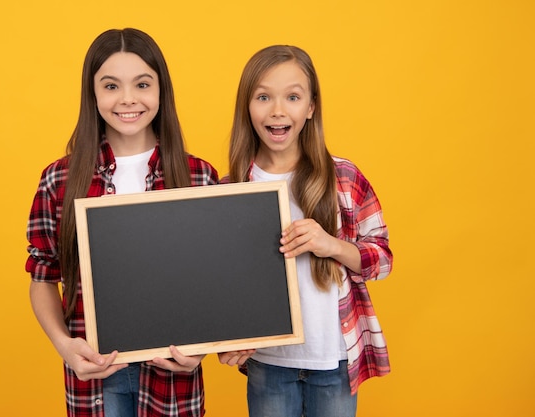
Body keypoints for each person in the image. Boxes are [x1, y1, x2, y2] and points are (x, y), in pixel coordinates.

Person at [25, 28, 218, 417]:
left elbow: (215, 280)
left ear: (161, 91)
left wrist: (201, 348)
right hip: (95, 375)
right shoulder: (58, 181)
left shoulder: (199, 176)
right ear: (92, 94)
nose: (128, 99)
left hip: (171, 378)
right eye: (111, 86)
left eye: (142, 84)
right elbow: (43, 277)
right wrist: (65, 346)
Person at [217, 45, 393, 417]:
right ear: (247, 107)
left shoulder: (343, 178)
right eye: (263, 96)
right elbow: (220, 284)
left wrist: (332, 245)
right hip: (268, 363)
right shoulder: (230, 188)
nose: (278, 110)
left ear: (311, 107)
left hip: (335, 360)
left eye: (292, 97)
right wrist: (228, 338)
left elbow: (383, 258)